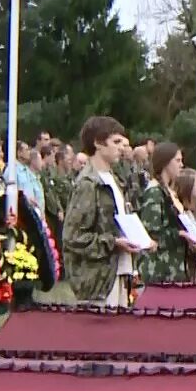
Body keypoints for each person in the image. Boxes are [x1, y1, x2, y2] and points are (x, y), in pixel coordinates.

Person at [63, 116, 151, 305]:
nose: (122, 147)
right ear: (98, 143)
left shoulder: (114, 180)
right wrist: (113, 243)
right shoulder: (88, 184)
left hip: (119, 272)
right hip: (97, 281)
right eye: (116, 141)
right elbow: (73, 237)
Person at [138, 142, 196, 283]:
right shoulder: (154, 192)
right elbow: (152, 232)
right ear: (165, 162)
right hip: (160, 269)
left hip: (174, 268)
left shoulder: (169, 192)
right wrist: (180, 234)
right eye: (177, 160)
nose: (181, 165)